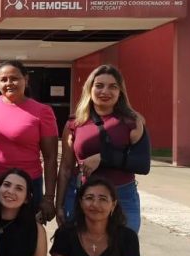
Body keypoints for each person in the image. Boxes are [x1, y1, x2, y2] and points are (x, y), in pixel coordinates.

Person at [56, 64, 146, 233]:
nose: (105, 91)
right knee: (78, 251)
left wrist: (102, 158)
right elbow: (66, 168)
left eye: (113, 87)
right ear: (89, 89)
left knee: (122, 251)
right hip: (81, 194)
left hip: (122, 196)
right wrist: (59, 204)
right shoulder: (74, 123)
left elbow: (142, 164)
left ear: (120, 92)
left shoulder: (132, 122)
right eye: (99, 86)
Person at [0, 60, 58, 220]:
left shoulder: (42, 111)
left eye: (14, 78)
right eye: (3, 79)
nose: (9, 83)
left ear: (26, 79)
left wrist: (49, 198)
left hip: (25, 186)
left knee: (23, 237)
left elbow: (51, 157)